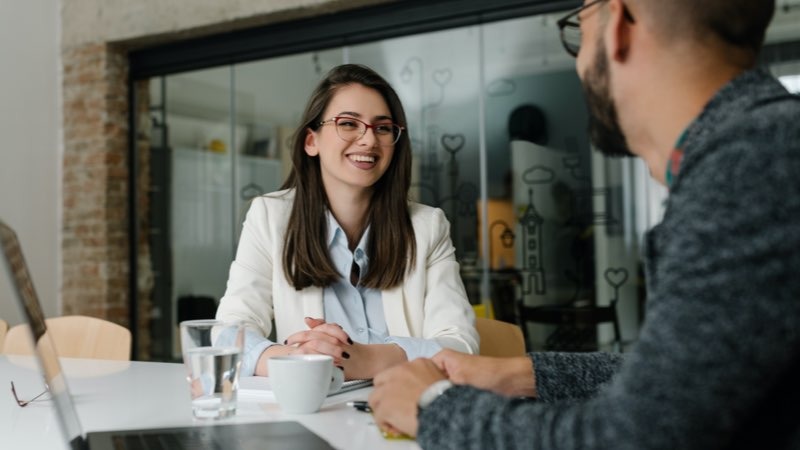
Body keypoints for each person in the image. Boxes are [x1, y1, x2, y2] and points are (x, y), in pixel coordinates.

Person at [368, 0, 800, 448]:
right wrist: (520, 373)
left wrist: (432, 405)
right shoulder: (759, 148)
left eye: (579, 30)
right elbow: (677, 384)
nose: (577, 62)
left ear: (620, 25)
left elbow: (631, 438)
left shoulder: (751, 164)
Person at [215, 64, 478, 380]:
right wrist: (301, 357)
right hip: (316, 411)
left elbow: (461, 346)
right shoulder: (270, 217)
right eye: (349, 124)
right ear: (311, 141)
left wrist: (368, 358)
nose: (368, 140)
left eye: (382, 128)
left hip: (406, 409)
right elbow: (229, 333)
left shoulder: (428, 227)